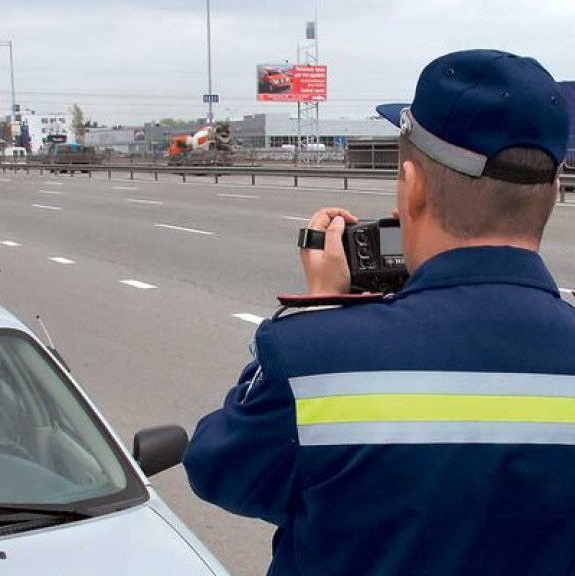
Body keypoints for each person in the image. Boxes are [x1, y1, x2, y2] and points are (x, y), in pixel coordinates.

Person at [183, 49, 575, 576]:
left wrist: (323, 311)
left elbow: (219, 471)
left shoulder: (315, 357)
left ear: (411, 190)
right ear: (552, 192)